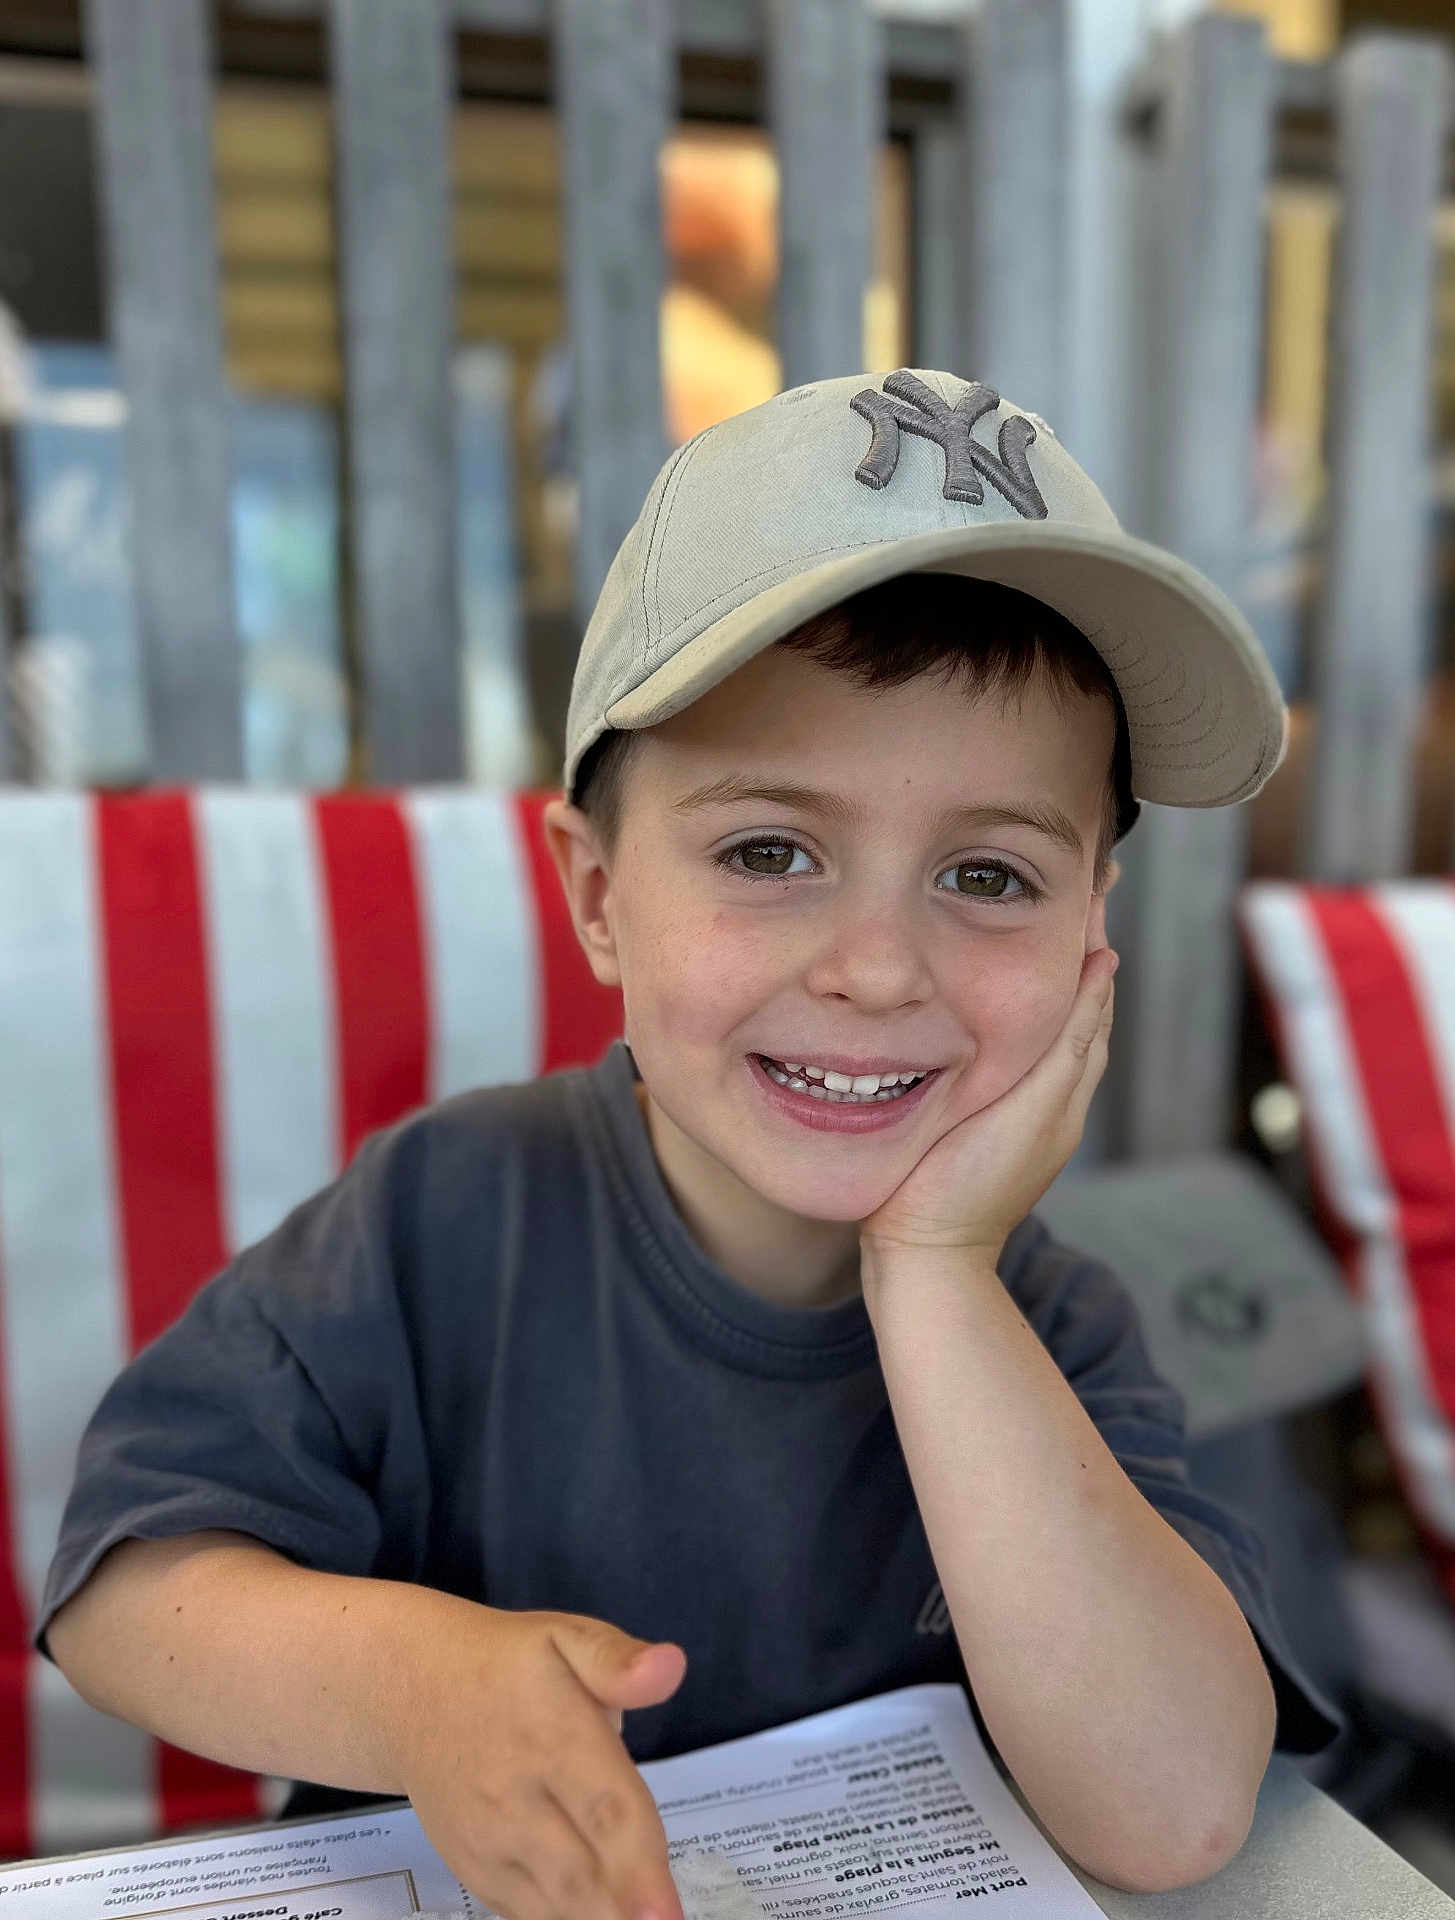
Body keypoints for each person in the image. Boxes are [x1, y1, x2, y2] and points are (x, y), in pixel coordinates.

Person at [38, 370, 1343, 1912]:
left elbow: (1177, 1813)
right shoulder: (447, 1215)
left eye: (989, 877)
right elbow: (124, 1591)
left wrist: (932, 1274)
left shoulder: (1053, 1325)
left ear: (1087, 947)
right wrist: (414, 1683)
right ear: (598, 897)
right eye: (770, 851)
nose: (877, 967)